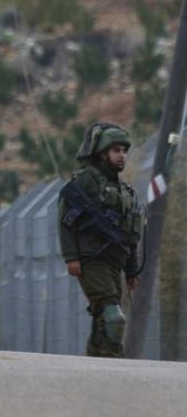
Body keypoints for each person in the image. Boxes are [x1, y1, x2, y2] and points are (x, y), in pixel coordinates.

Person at [57, 123, 143, 358]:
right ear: (103, 153)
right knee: (114, 317)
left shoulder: (124, 190)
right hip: (91, 259)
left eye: (124, 151)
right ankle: (114, 362)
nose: (121, 155)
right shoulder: (85, 182)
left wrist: (132, 269)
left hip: (115, 262)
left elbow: (130, 235)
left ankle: (97, 361)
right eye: (116, 150)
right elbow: (66, 221)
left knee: (103, 317)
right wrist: (71, 257)